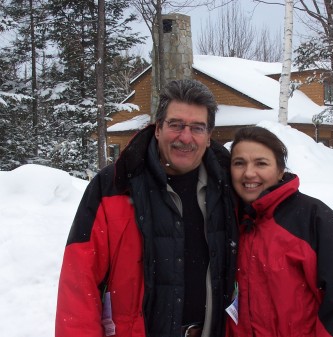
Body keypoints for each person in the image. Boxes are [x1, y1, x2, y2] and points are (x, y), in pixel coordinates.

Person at [55, 79, 238, 337]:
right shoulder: (114, 186)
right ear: (157, 129)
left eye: (197, 128)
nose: (185, 137)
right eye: (176, 125)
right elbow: (79, 284)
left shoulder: (230, 186)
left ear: (209, 137)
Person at [226, 126, 333, 337]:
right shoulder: (228, 221)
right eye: (239, 163)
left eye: (261, 163)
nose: (249, 173)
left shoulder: (313, 221)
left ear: (280, 170)